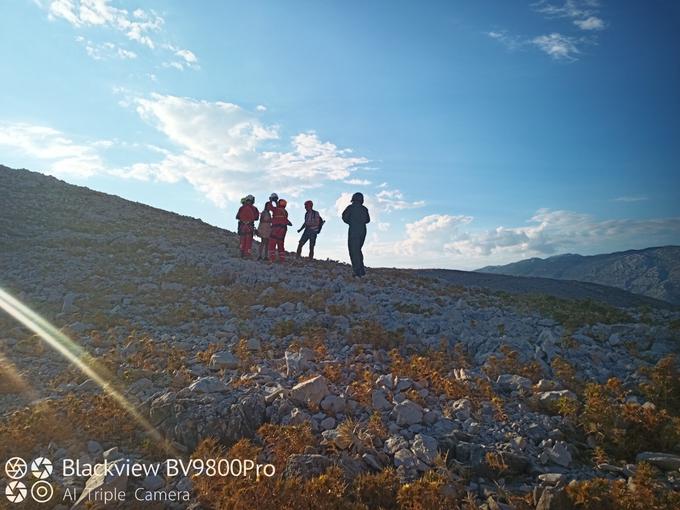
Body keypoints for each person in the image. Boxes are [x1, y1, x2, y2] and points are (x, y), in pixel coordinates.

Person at [341, 192, 370, 277]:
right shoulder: (364, 209)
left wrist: (351, 222)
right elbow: (367, 220)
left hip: (354, 230)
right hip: (363, 231)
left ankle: (357, 272)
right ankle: (361, 271)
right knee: (358, 250)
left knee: (354, 251)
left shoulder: (350, 208)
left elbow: (344, 217)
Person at [269, 198, 292, 262]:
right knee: (280, 244)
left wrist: (271, 200)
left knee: (272, 243)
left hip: (275, 228)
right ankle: (282, 259)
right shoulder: (285, 212)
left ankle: (272, 259)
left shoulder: (276, 209)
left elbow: (270, 207)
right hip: (283, 229)